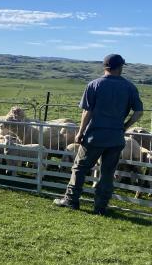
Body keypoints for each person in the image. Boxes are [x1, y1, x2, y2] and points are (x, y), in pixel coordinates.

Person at [53, 54, 143, 215]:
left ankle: (71, 200)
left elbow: (87, 111)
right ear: (120, 67)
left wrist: (80, 132)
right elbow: (138, 112)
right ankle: (100, 207)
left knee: (80, 168)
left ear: (105, 67)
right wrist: (125, 126)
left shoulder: (94, 85)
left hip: (95, 136)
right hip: (116, 138)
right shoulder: (129, 87)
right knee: (107, 173)